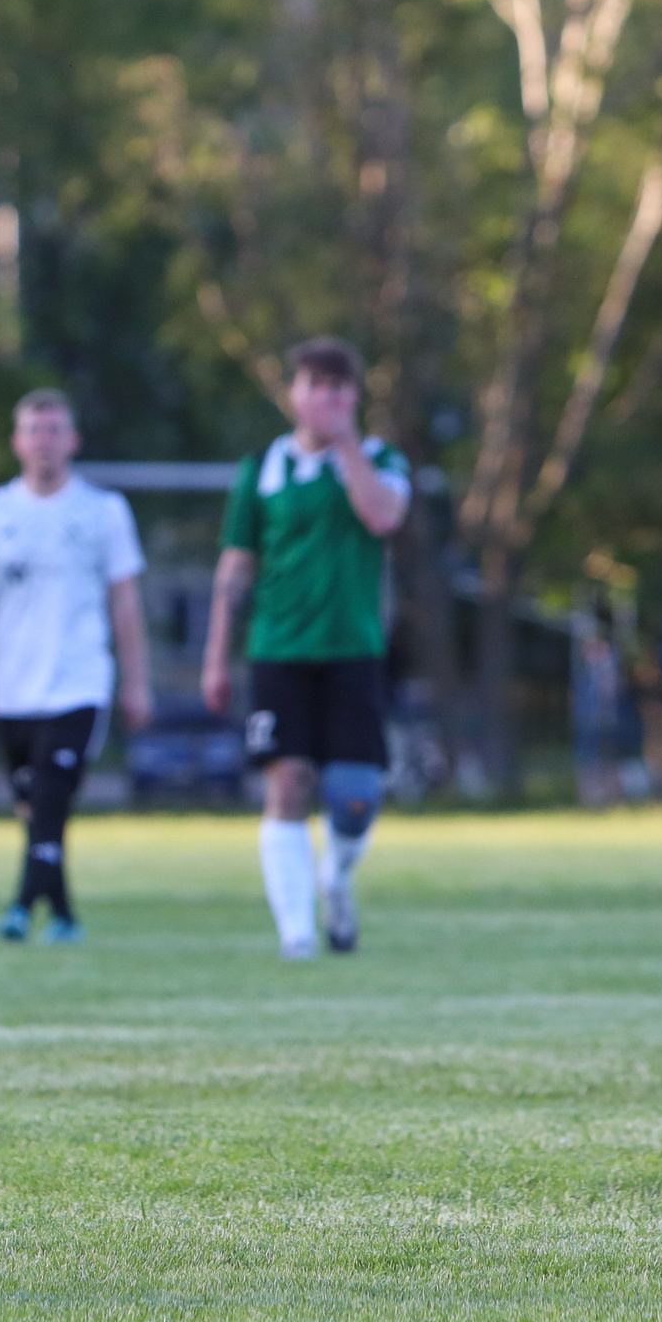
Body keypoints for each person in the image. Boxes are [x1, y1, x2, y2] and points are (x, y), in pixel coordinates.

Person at [200, 338, 409, 959]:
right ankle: (296, 932)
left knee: (355, 796)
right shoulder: (261, 470)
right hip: (279, 650)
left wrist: (346, 445)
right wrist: (217, 655)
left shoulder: (379, 458)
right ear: (295, 394)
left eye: (342, 388)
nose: (330, 398)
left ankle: (336, 882)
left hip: (353, 649)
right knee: (287, 779)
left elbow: (384, 518)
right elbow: (235, 566)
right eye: (318, 386)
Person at [0, 390, 152, 943]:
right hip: (13, 687)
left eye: (55, 430)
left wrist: (137, 681)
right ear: (17, 442)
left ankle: (19, 906)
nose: (45, 441)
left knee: (52, 793)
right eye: (35, 430)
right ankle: (64, 913)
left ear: (73, 441)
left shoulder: (103, 511)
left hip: (80, 681)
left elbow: (125, 602)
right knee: (37, 808)